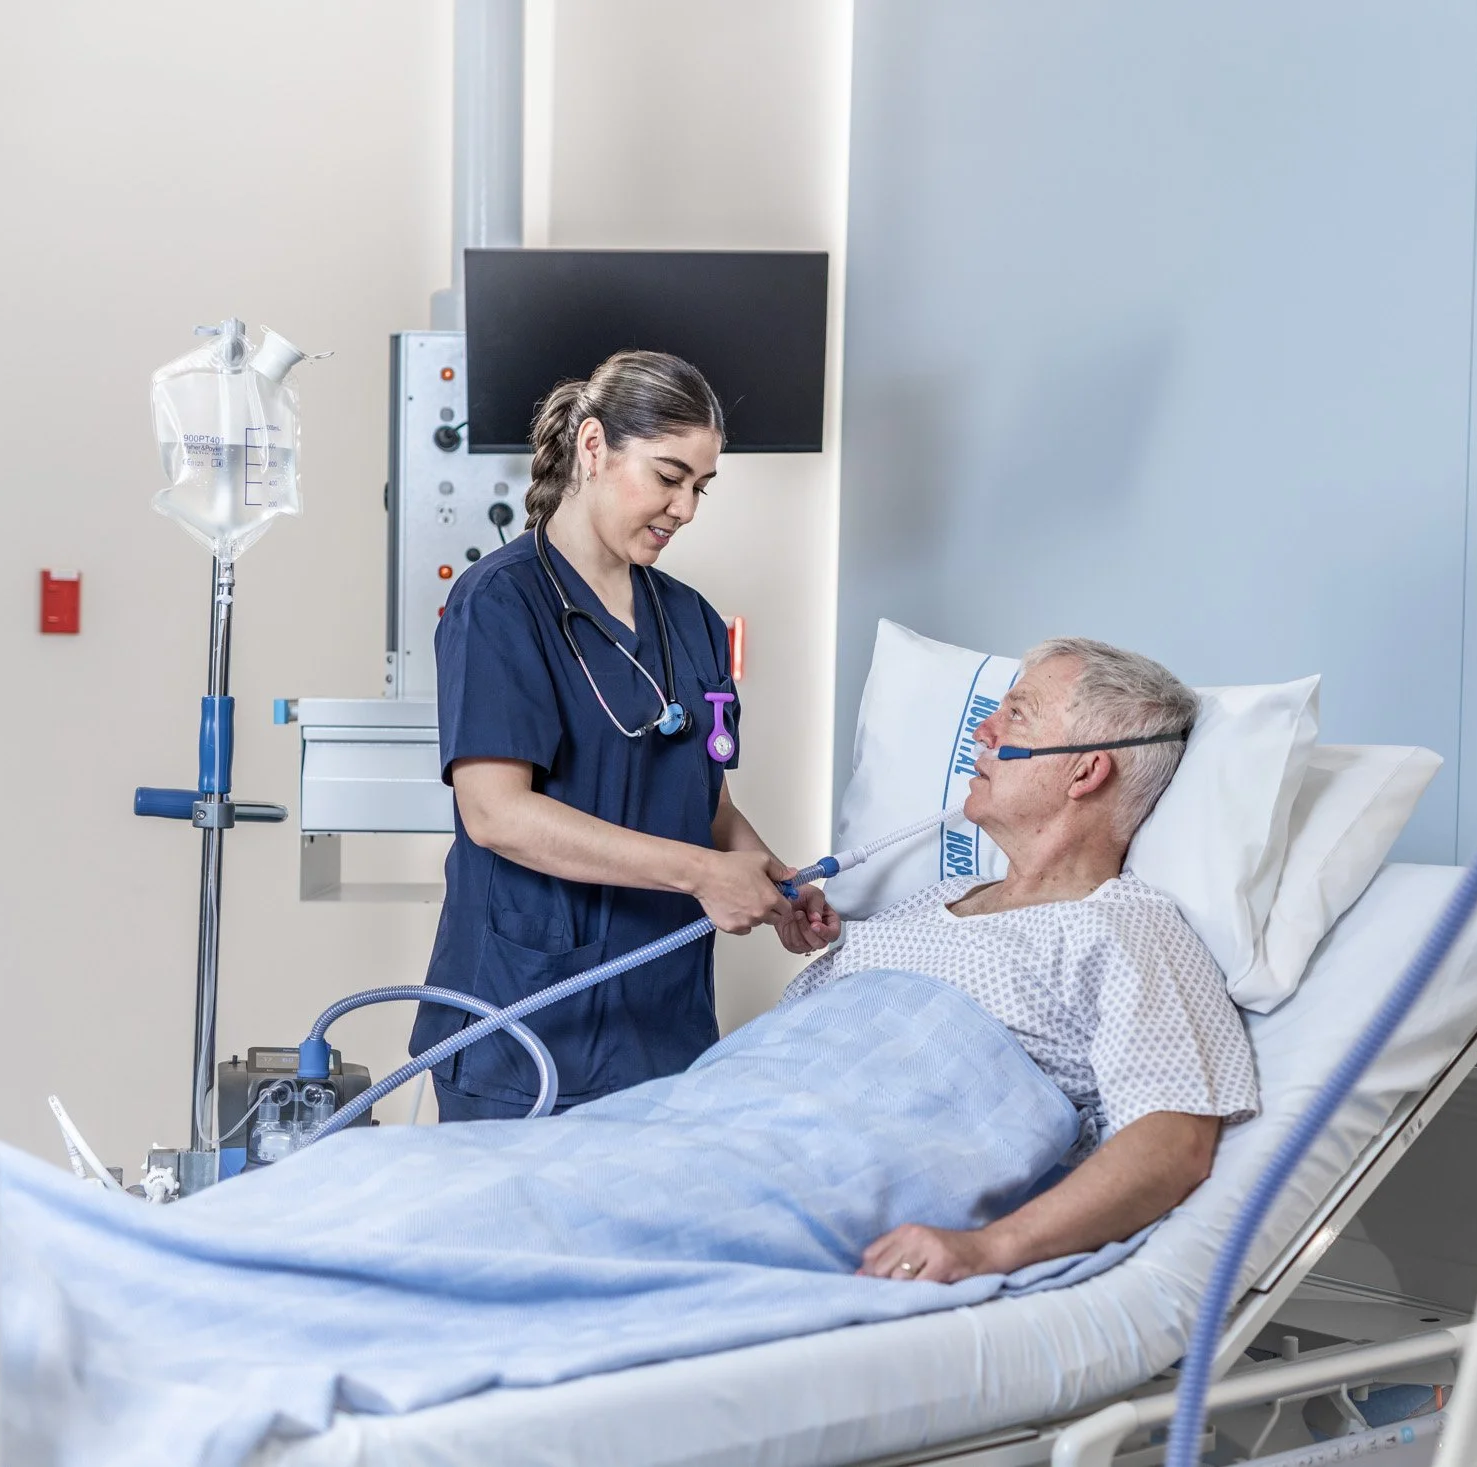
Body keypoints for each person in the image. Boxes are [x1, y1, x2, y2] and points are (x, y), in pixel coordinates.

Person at [418, 350, 838, 1122]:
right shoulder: (502, 606)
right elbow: (496, 814)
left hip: (664, 1030)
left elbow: (708, 808)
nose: (685, 508)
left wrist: (773, 885)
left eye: (700, 488)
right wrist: (702, 875)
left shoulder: (693, 621)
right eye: (668, 476)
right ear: (592, 447)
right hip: (528, 1023)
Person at [784, 637, 1260, 1283]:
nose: (983, 730)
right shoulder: (933, 900)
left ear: (1085, 772)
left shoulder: (1127, 928)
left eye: (1017, 715)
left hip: (828, 1181)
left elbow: (1171, 1145)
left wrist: (986, 1249)